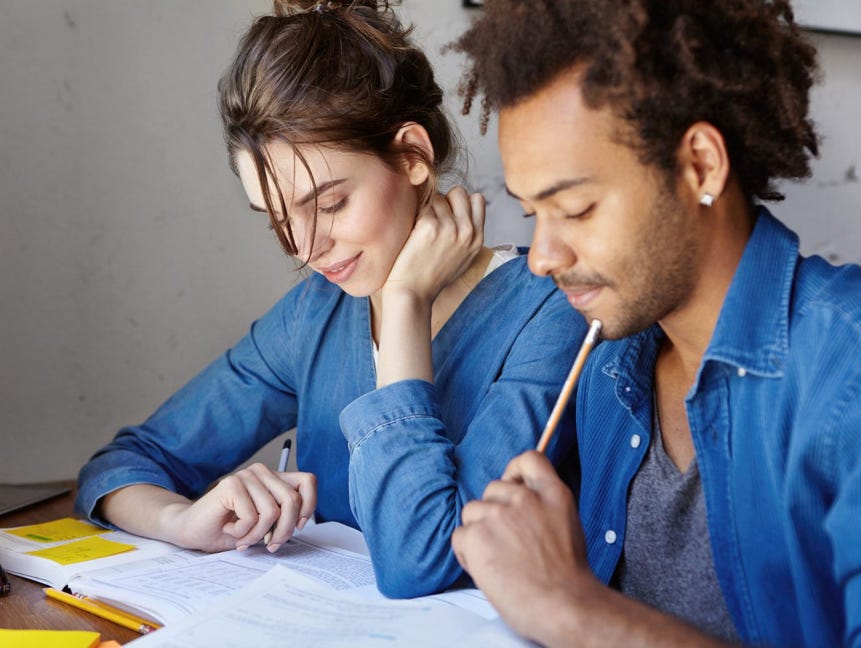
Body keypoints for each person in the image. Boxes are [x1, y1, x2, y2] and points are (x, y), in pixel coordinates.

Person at [449, 1, 861, 645]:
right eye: (533, 213)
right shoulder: (611, 361)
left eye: (576, 209)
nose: (543, 258)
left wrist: (574, 609)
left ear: (700, 164)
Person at [75, 0, 587, 599]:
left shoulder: (550, 314)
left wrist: (402, 308)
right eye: (276, 219)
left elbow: (420, 561)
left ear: (412, 156)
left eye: (329, 203)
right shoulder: (315, 314)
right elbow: (121, 466)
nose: (305, 247)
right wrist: (179, 521)